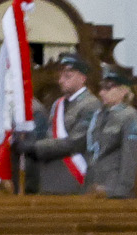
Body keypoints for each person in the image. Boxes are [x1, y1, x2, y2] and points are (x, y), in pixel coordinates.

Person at [25, 53, 96, 194]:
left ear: (82, 78)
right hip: (50, 177)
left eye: (68, 76)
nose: (61, 81)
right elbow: (50, 136)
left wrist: (34, 147)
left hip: (73, 179)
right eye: (60, 76)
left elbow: (75, 142)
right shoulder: (58, 104)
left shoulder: (91, 105)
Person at [85, 66, 137, 199]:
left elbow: (130, 157)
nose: (102, 93)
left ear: (123, 91)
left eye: (108, 88)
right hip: (94, 184)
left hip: (113, 188)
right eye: (102, 88)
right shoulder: (99, 114)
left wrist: (121, 190)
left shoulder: (129, 116)